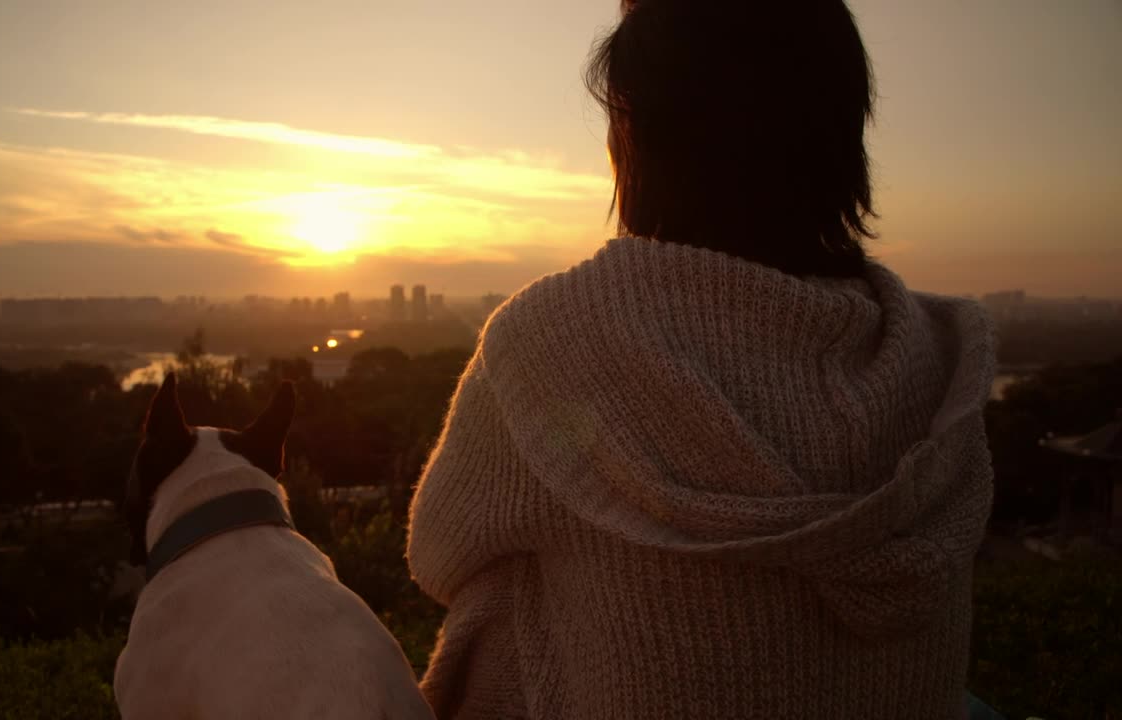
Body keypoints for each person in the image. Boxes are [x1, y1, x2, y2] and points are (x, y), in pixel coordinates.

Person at [406, 1, 996, 719]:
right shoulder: (937, 362)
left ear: (638, 136)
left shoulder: (555, 339)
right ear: (844, 131)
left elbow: (439, 555)